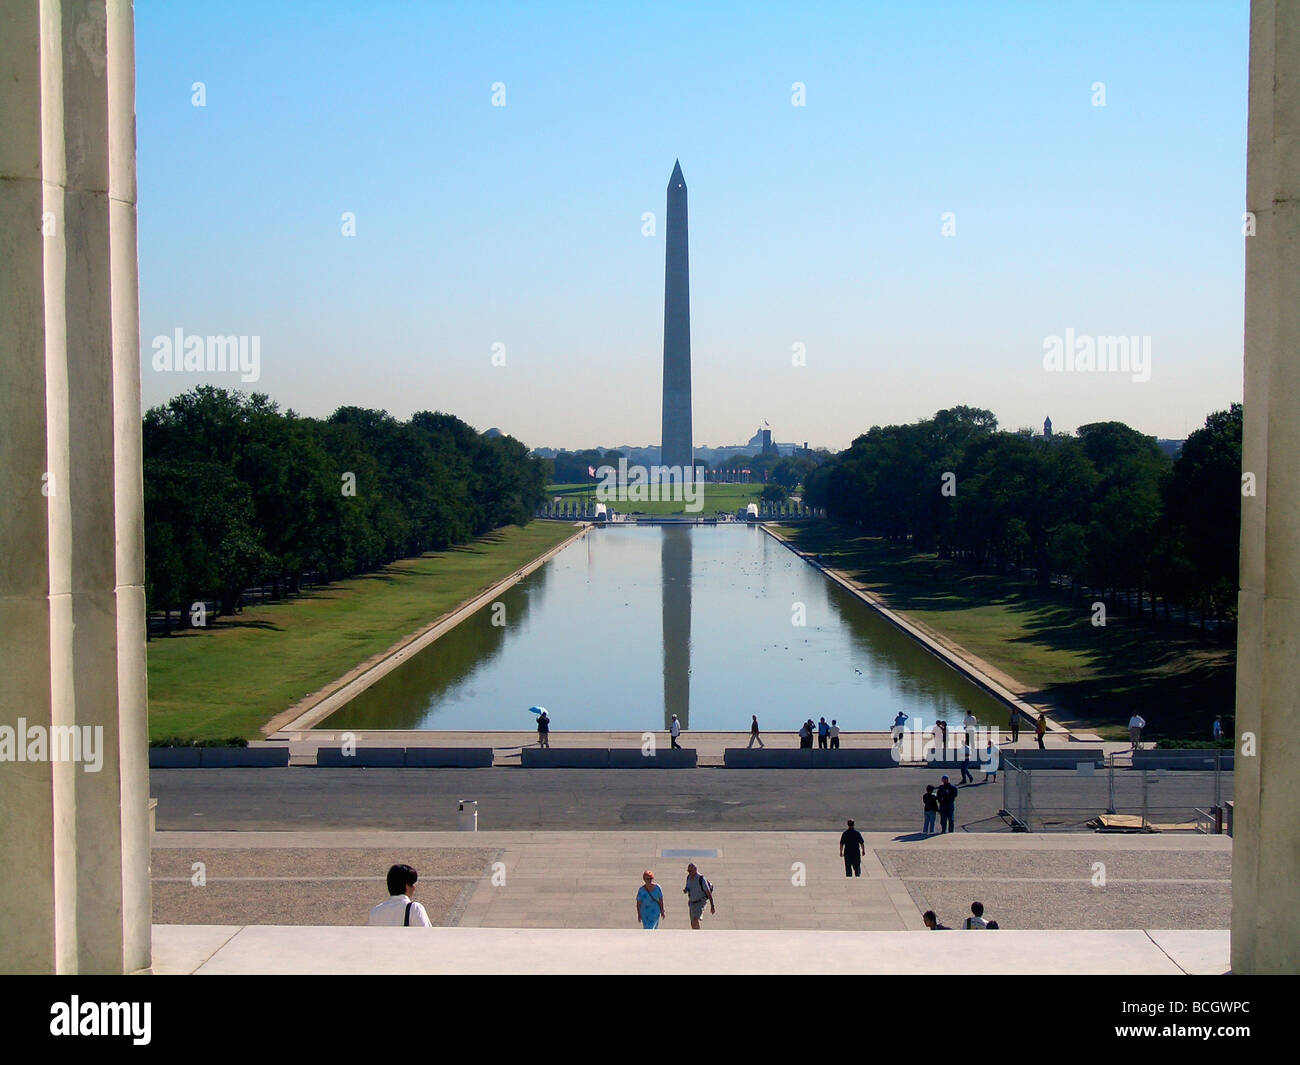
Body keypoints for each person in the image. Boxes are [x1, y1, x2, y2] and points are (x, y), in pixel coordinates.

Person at [367, 864, 432, 927]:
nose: (414, 888)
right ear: (407, 886)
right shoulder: (415, 908)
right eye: (413, 884)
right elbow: (426, 935)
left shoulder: (375, 912)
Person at [683, 863, 714, 929]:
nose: (689, 872)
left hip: (700, 902)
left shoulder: (701, 879)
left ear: (695, 870)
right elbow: (687, 887)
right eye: (688, 871)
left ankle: (698, 935)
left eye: (691, 871)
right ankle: (695, 934)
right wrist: (686, 890)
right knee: (692, 922)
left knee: (695, 919)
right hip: (691, 902)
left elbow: (708, 893)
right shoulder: (688, 877)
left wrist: (712, 906)